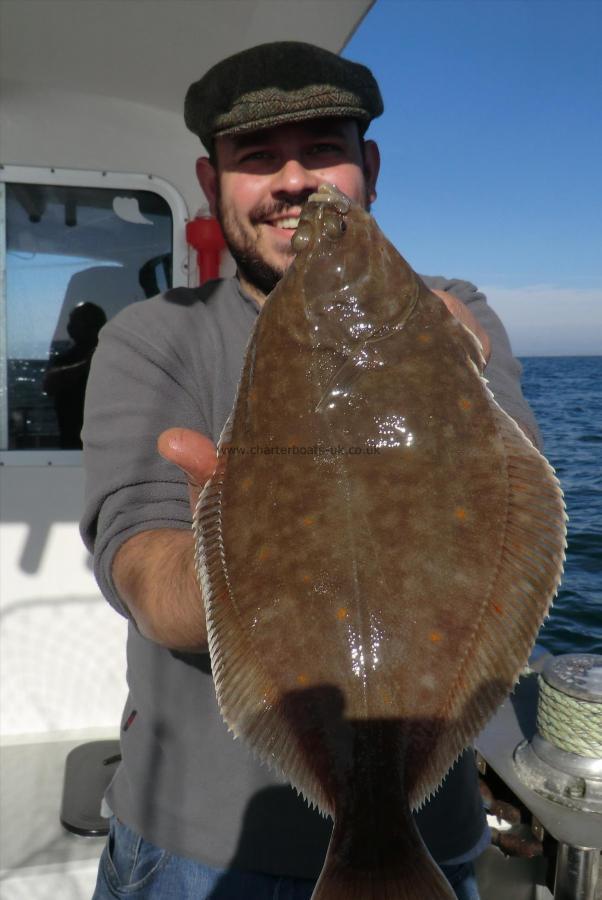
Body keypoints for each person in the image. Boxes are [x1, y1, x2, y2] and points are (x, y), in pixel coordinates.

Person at [81, 42, 541, 900]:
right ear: (211, 179)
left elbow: (514, 502)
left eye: (323, 150)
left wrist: (454, 363)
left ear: (368, 166)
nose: (296, 184)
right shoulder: (153, 337)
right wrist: (231, 553)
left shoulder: (454, 313)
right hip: (197, 852)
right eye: (257, 159)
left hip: (433, 840)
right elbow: (142, 575)